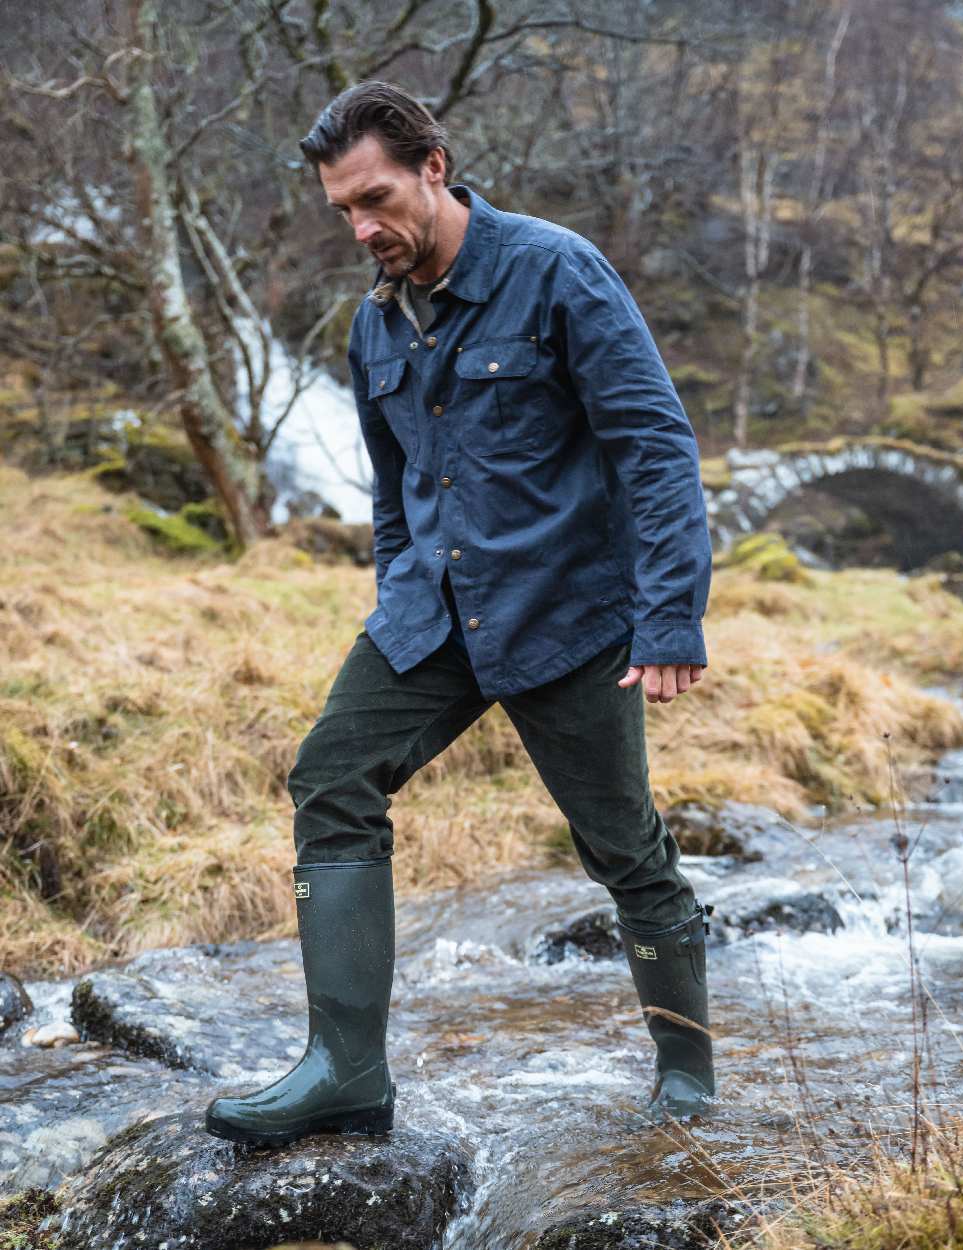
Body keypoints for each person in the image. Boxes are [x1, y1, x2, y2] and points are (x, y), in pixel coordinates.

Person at [205, 80, 715, 1149]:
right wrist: (397, 582)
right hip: (429, 617)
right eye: (343, 208)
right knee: (330, 777)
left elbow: (653, 445)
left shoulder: (556, 270)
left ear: (434, 167)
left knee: (622, 847)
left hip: (567, 615)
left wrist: (669, 613)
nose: (361, 228)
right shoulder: (368, 322)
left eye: (377, 198)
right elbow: (392, 495)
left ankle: (686, 1077)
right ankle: (345, 1070)